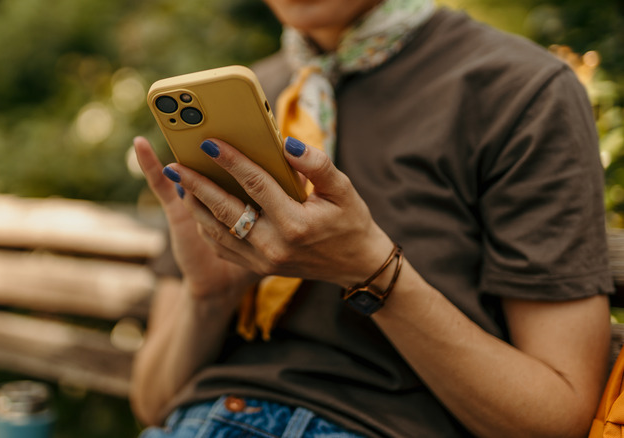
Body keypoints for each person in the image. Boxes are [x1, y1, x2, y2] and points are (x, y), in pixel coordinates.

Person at [130, 0, 614, 436]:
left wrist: (370, 270)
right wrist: (209, 297)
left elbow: (556, 419)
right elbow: (152, 401)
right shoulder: (239, 102)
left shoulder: (520, 91)